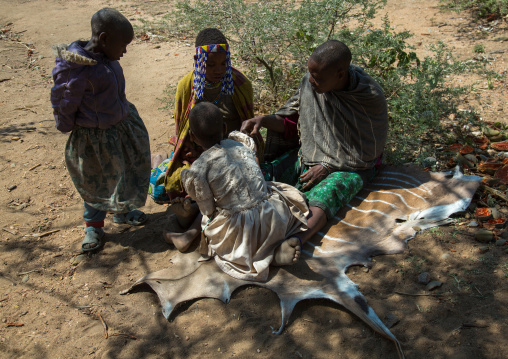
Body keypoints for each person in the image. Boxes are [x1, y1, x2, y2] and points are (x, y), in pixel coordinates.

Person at [241, 40, 388, 252]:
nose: (310, 80)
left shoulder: (368, 96)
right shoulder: (312, 85)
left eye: (317, 77)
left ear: (340, 74)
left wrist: (329, 166)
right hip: (309, 156)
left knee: (329, 193)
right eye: (310, 73)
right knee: (261, 173)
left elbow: (369, 152)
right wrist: (262, 120)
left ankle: (296, 240)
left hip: (351, 166)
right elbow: (291, 119)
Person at [165, 102, 309, 281]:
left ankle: (266, 257)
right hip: (274, 215)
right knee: (269, 190)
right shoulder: (240, 143)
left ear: (192, 136)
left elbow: (209, 210)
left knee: (210, 218)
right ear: (225, 127)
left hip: (243, 234)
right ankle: (274, 248)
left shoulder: (198, 169)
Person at [51, 8, 151, 252]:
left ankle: (122, 212)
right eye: (123, 45)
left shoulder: (109, 59)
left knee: (125, 171)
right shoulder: (77, 69)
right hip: (94, 139)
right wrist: (66, 124)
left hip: (121, 129)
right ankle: (93, 225)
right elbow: (64, 101)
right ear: (104, 39)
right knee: (96, 181)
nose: (125, 51)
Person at [163, 28, 260, 204]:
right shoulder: (187, 87)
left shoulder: (240, 85)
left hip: (233, 149)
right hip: (200, 149)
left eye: (224, 63)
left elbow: (247, 127)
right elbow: (182, 130)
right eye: (211, 65)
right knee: (181, 182)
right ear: (197, 61)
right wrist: (190, 149)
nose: (219, 70)